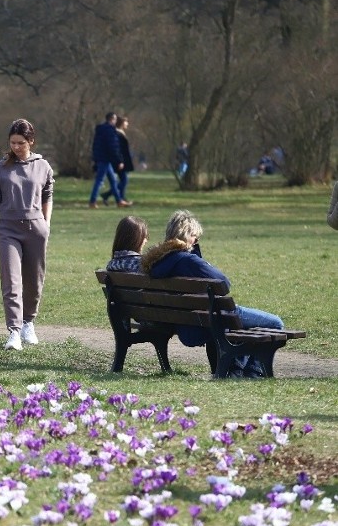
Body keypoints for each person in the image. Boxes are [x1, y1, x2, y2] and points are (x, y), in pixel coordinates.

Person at [141, 210, 283, 377]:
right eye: (194, 236)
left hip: (186, 325)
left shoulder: (159, 262)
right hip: (207, 320)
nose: (196, 241)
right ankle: (253, 372)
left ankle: (236, 371)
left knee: (239, 325)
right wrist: (198, 258)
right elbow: (224, 283)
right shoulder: (187, 260)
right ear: (186, 235)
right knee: (276, 324)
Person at [0, 118, 54, 351]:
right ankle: (13, 332)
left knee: (34, 280)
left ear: (31, 141)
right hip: (7, 230)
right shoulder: (0, 168)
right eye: (12, 142)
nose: (16, 147)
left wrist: (46, 223)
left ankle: (28, 323)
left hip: (36, 229)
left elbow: (47, 195)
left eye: (21, 143)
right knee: (11, 280)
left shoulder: (43, 166)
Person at [89, 112, 129, 208]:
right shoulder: (110, 130)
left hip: (101, 159)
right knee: (99, 181)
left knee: (113, 181)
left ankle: (119, 201)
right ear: (112, 119)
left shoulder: (100, 130)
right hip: (105, 159)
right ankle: (92, 201)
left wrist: (95, 158)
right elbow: (113, 146)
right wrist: (119, 160)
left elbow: (95, 145)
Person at [100, 116, 134, 205]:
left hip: (123, 161)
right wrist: (120, 161)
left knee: (123, 180)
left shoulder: (121, 133)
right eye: (126, 122)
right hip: (119, 161)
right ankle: (114, 196)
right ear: (122, 123)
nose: (127, 124)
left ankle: (118, 197)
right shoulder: (117, 133)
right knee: (124, 180)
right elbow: (118, 149)